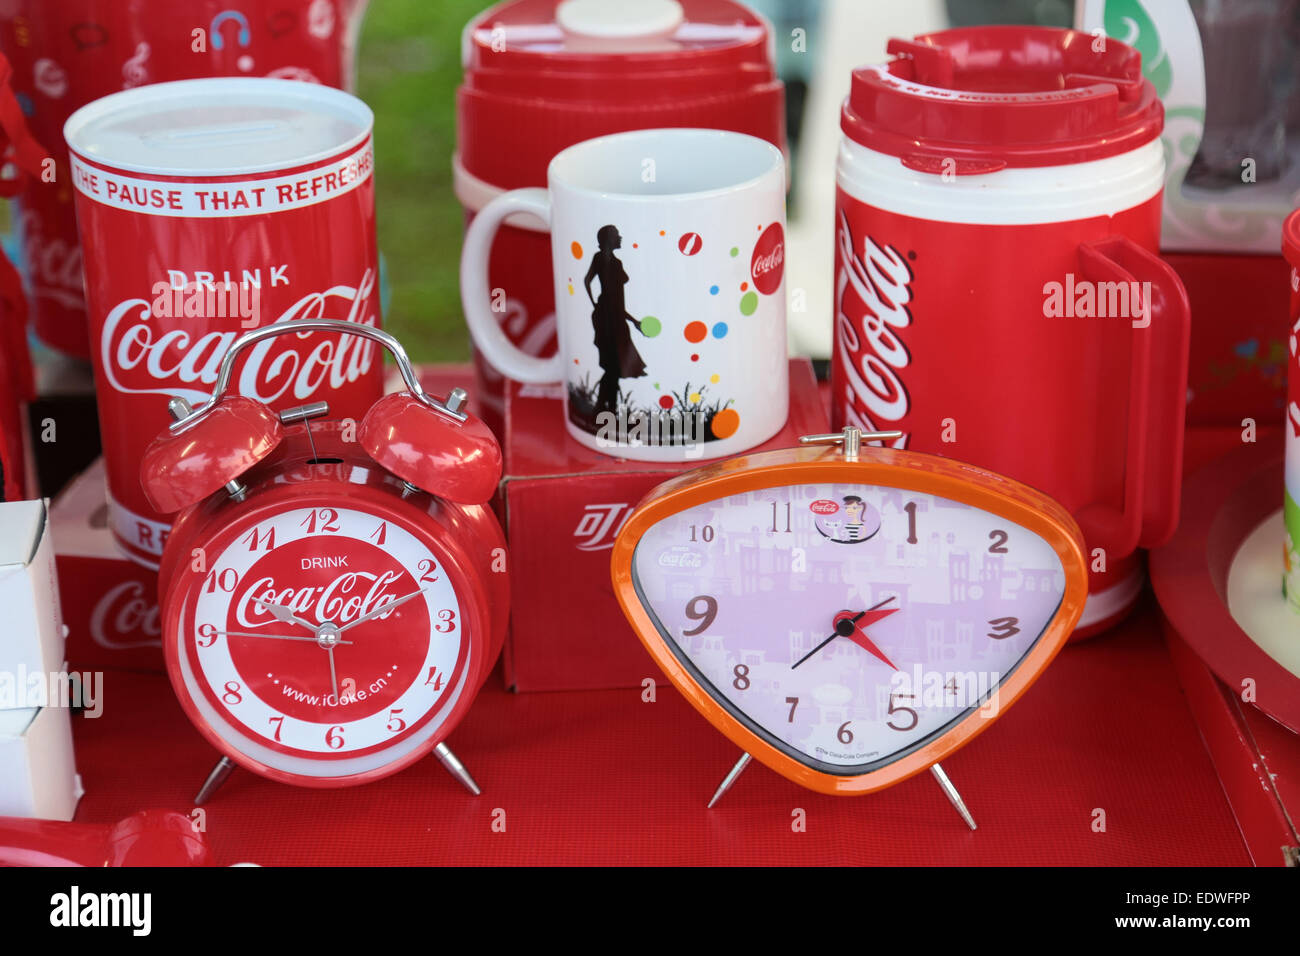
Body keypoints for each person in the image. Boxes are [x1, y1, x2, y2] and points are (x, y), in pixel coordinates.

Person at [584, 225, 647, 414]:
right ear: (609, 239)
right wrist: (596, 304)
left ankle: (603, 408)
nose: (620, 238)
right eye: (617, 235)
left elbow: (589, 282)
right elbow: (590, 283)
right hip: (610, 318)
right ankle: (605, 409)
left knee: (613, 366)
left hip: (612, 316)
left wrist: (596, 304)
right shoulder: (606, 261)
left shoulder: (611, 262)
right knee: (613, 366)